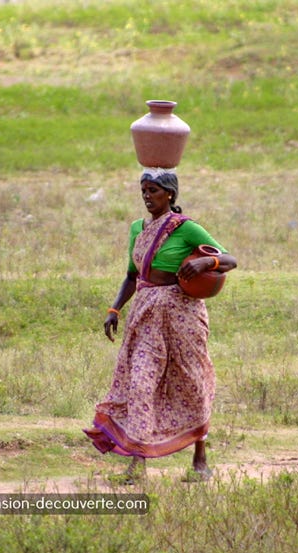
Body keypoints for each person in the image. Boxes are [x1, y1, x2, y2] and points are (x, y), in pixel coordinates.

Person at [83, 168, 237, 483]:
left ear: (169, 194)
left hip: (183, 315)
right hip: (145, 313)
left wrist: (207, 262)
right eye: (143, 190)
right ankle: (137, 463)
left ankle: (200, 458)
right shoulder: (137, 229)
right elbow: (131, 275)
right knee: (140, 383)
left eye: (153, 191)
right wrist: (115, 308)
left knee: (191, 381)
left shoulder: (187, 228)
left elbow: (229, 258)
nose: (147, 197)